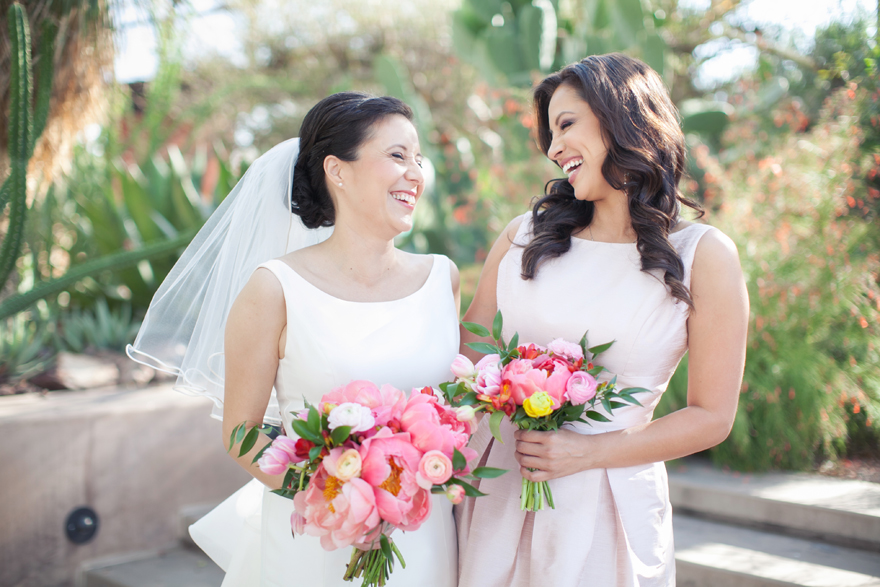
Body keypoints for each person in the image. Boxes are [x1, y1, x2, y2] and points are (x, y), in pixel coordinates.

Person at [128, 92, 461, 586]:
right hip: (319, 540)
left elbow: (452, 413)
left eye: (418, 158)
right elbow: (242, 434)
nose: (416, 173)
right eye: (397, 156)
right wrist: (339, 498)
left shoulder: (442, 279)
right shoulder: (275, 288)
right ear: (338, 170)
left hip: (426, 536)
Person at [454, 54, 749, 586]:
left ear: (624, 119)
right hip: (496, 492)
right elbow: (463, 358)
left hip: (608, 508)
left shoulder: (703, 255)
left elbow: (712, 415)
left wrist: (586, 452)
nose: (553, 148)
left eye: (566, 125)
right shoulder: (523, 236)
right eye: (549, 134)